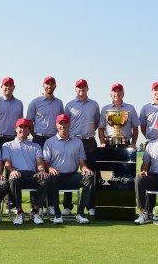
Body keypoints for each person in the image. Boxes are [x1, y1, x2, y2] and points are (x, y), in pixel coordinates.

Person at [43, 114, 95, 224]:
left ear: (69, 124)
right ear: (56, 125)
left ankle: (80, 212)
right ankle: (57, 212)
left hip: (72, 176)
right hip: (57, 177)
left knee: (89, 176)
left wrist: (85, 168)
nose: (63, 126)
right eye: (60, 123)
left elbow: (82, 162)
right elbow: (45, 163)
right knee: (53, 176)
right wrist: (50, 168)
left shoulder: (77, 142)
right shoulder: (49, 142)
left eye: (65, 123)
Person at [2, 118, 50, 225]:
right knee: (13, 178)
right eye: (20, 127)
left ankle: (35, 211)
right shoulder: (7, 145)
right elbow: (7, 163)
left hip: (31, 175)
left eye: (26, 127)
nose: (23, 129)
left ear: (29, 130)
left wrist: (41, 170)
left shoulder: (36, 146)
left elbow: (40, 163)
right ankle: (19, 211)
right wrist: (12, 170)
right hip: (17, 174)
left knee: (45, 178)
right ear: (16, 129)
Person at [65, 78, 100, 216]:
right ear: (75, 89)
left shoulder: (94, 104)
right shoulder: (69, 105)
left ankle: (90, 205)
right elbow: (65, 124)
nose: (81, 89)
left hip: (89, 141)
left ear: (87, 89)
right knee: (68, 171)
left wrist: (88, 132)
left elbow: (96, 122)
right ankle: (67, 206)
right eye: (79, 87)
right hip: (72, 140)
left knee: (90, 172)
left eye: (84, 87)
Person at [26, 76, 64, 150]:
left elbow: (61, 122)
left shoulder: (59, 103)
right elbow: (29, 122)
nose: (49, 86)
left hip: (54, 138)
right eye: (47, 84)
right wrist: (35, 135)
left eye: (52, 84)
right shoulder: (35, 102)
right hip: (39, 139)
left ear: (55, 86)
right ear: (43, 85)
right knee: (38, 161)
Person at [98, 83, 140, 147]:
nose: (117, 93)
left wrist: (133, 143)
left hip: (125, 144)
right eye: (114, 91)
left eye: (119, 91)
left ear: (123, 94)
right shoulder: (105, 109)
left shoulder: (131, 108)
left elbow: (135, 127)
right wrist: (102, 142)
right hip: (109, 144)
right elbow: (101, 128)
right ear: (111, 94)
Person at [0, 77, 24, 148]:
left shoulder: (19, 103)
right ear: (1, 87)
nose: (8, 87)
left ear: (14, 87)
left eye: (10, 85)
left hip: (14, 139)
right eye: (6, 85)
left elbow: (20, 123)